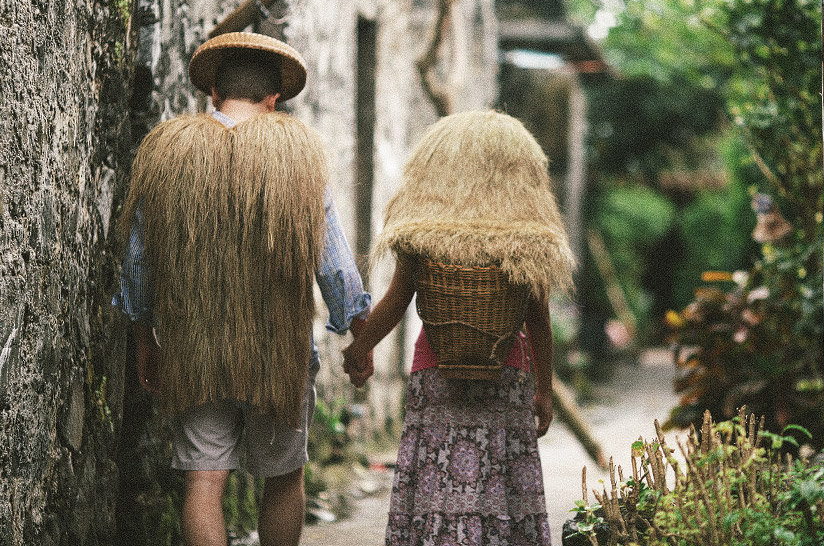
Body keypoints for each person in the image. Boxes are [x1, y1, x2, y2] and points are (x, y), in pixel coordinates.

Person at [113, 32, 372, 546]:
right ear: (273, 100)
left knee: (204, 480)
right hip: (278, 354)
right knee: (281, 480)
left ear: (214, 93)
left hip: (195, 349)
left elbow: (138, 263)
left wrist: (145, 341)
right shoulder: (299, 157)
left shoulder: (167, 151)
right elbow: (335, 265)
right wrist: (359, 339)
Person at [342, 110, 575, 546]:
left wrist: (361, 348)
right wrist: (544, 389)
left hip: (436, 373)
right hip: (507, 377)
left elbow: (396, 300)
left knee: (438, 481)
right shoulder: (525, 238)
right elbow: (538, 320)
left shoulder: (424, 235)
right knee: (500, 484)